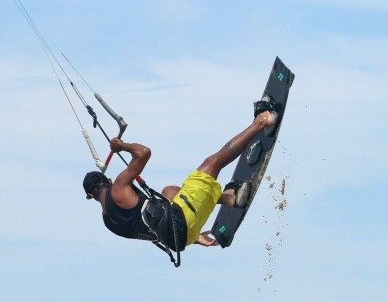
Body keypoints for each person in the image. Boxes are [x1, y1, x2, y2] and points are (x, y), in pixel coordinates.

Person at [83, 103, 276, 252]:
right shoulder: (117, 187)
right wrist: (122, 147)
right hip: (182, 221)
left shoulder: (109, 223)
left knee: (169, 191)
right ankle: (262, 121)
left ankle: (230, 198)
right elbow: (144, 152)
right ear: (107, 182)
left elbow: (151, 233)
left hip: (180, 240)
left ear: (92, 196)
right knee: (211, 163)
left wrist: (194, 237)